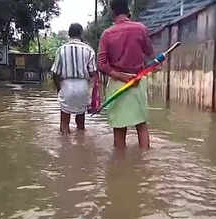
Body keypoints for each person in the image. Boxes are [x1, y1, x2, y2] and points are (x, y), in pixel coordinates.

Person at [97, 0, 155, 149]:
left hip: (117, 84)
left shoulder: (107, 34)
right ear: (128, 11)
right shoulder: (141, 29)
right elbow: (149, 53)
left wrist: (121, 76)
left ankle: (120, 164)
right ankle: (144, 162)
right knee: (141, 124)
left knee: (119, 126)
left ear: (112, 12)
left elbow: (102, 65)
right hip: (137, 81)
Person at [51, 23, 98, 135]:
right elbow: (93, 73)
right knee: (81, 121)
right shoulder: (89, 50)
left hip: (66, 85)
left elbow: (55, 73)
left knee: (64, 121)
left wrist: (59, 88)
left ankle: (65, 145)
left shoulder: (61, 50)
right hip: (82, 86)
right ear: (81, 34)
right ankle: (81, 142)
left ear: (69, 34)